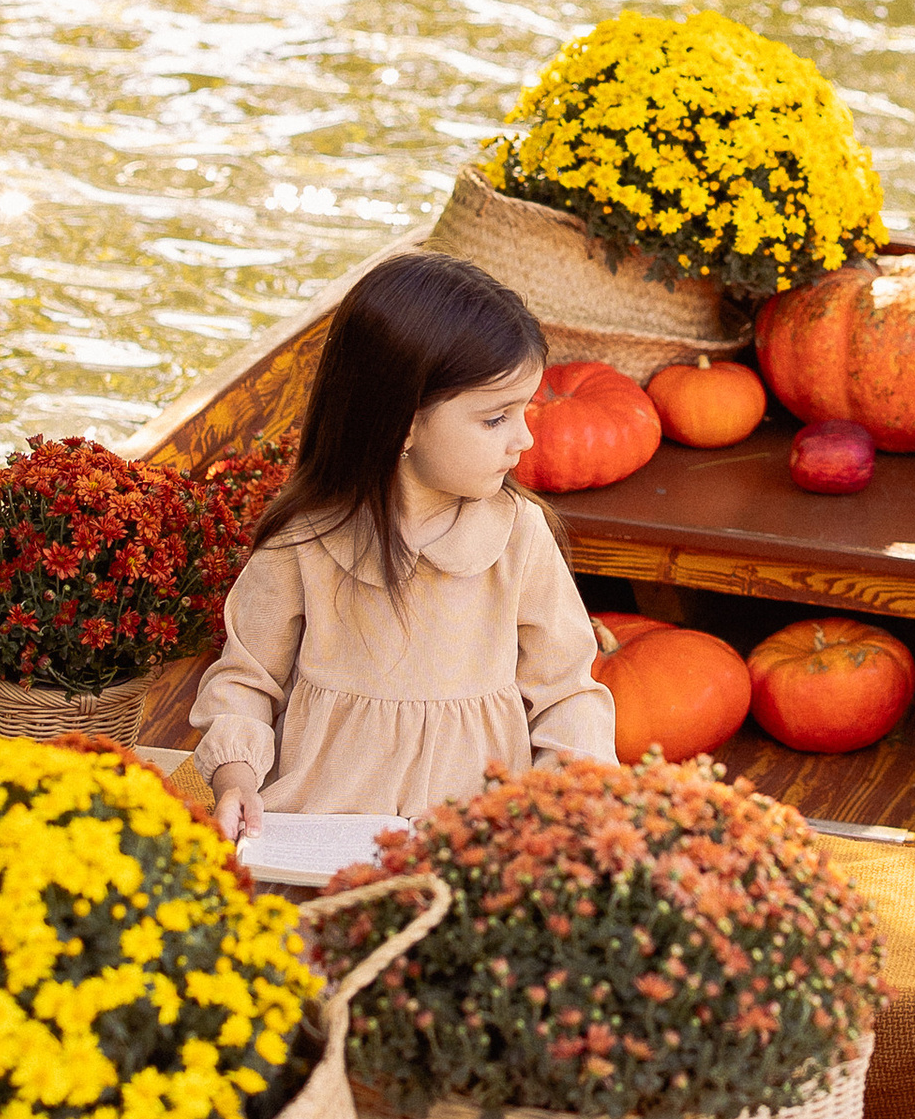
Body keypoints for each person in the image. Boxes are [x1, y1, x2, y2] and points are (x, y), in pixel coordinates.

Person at [192, 249, 614, 838]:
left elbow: (567, 693)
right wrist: (235, 781)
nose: (523, 439)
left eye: (525, 411)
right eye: (495, 418)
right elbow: (245, 682)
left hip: (470, 839)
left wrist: (566, 808)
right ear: (404, 424)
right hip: (313, 829)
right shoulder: (304, 541)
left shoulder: (518, 536)